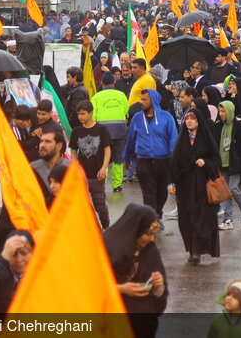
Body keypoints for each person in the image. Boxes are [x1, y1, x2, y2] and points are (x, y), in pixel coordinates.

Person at [103, 204, 168, 338]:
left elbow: (160, 294)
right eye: (148, 234)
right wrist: (121, 289)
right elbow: (88, 286)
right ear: (135, 230)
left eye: (154, 235)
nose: (152, 239)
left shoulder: (150, 250)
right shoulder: (106, 248)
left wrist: (158, 286)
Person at [169, 108, 222, 264]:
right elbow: (174, 163)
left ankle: (197, 251)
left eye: (193, 118)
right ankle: (192, 250)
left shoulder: (206, 139)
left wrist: (205, 162)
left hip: (203, 187)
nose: (189, 121)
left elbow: (216, 161)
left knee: (202, 219)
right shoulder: (182, 140)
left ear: (199, 121)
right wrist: (171, 183)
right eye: (187, 119)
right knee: (186, 219)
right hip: (185, 187)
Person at [125, 89, 178, 219]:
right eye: (141, 99)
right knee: (149, 195)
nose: (141, 102)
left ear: (153, 101)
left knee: (161, 194)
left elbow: (174, 139)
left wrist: (174, 159)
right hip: (143, 161)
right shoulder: (137, 118)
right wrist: (127, 157)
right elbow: (130, 139)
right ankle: (151, 221)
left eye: (144, 99)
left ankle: (157, 215)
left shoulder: (167, 117)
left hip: (163, 161)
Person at [69, 101, 111, 229]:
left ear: (91, 113)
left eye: (83, 114)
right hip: (82, 175)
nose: (80, 117)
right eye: (78, 114)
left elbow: (107, 150)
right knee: (83, 206)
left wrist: (104, 168)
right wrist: (74, 167)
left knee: (100, 205)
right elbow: (74, 151)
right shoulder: (76, 131)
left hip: (97, 176)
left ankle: (105, 224)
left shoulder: (101, 130)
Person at [213, 100, 241, 230]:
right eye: (220, 111)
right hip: (222, 163)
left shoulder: (240, 126)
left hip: (235, 164)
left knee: (232, 188)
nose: (221, 113)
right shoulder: (219, 126)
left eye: (223, 111)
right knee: (224, 191)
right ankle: (228, 218)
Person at [93, 72, 130, 192]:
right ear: (114, 83)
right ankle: (117, 185)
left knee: (103, 157)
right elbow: (126, 111)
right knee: (119, 158)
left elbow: (92, 116)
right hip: (120, 131)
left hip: (103, 132)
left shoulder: (96, 97)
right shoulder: (121, 95)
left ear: (102, 83)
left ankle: (101, 182)